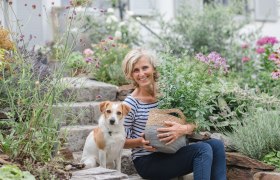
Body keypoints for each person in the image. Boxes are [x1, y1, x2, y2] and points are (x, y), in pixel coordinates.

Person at [122, 48, 227, 180]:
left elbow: (195, 121)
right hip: (148, 160)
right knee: (202, 150)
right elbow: (121, 141)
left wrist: (183, 128)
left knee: (216, 145)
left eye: (144, 68)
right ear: (130, 75)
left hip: (173, 150)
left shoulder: (168, 94)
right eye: (135, 70)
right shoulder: (130, 104)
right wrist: (141, 142)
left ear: (153, 68)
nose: (141, 74)